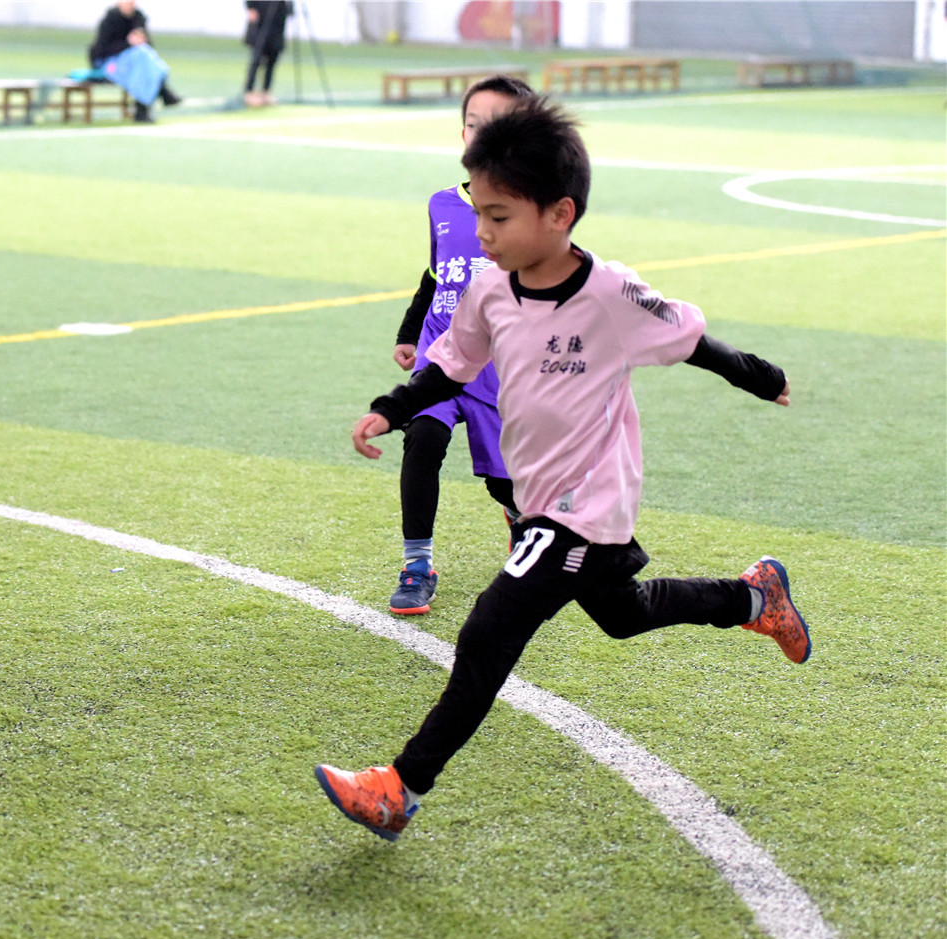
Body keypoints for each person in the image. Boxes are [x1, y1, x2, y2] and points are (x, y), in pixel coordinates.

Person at [317, 97, 811, 842]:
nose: (482, 233)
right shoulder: (489, 287)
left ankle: (399, 787)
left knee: (489, 629)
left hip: (588, 503)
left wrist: (757, 373)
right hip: (536, 491)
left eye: (500, 216)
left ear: (559, 213)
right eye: (478, 212)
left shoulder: (610, 293)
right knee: (623, 613)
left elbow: (689, 338)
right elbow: (451, 366)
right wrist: (392, 405)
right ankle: (753, 598)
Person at [386, 73, 535, 616]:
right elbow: (435, 275)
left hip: (499, 367)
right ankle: (417, 564)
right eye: (472, 126)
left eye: (493, 128)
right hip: (441, 354)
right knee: (422, 439)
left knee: (507, 484)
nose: (479, 137)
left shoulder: (535, 211)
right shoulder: (441, 204)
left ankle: (521, 522)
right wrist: (409, 333)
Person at [89, 1, 182, 123]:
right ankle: (158, 93)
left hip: (135, 63)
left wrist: (140, 40)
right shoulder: (110, 20)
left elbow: (148, 45)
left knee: (143, 55)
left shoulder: (138, 19)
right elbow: (102, 50)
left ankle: (147, 103)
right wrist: (128, 44)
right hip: (109, 64)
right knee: (142, 58)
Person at [242, 1, 292, 107]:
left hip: (277, 24)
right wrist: (250, 8)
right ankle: (249, 92)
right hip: (261, 20)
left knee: (272, 61)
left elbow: (289, 11)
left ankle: (266, 92)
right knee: (256, 60)